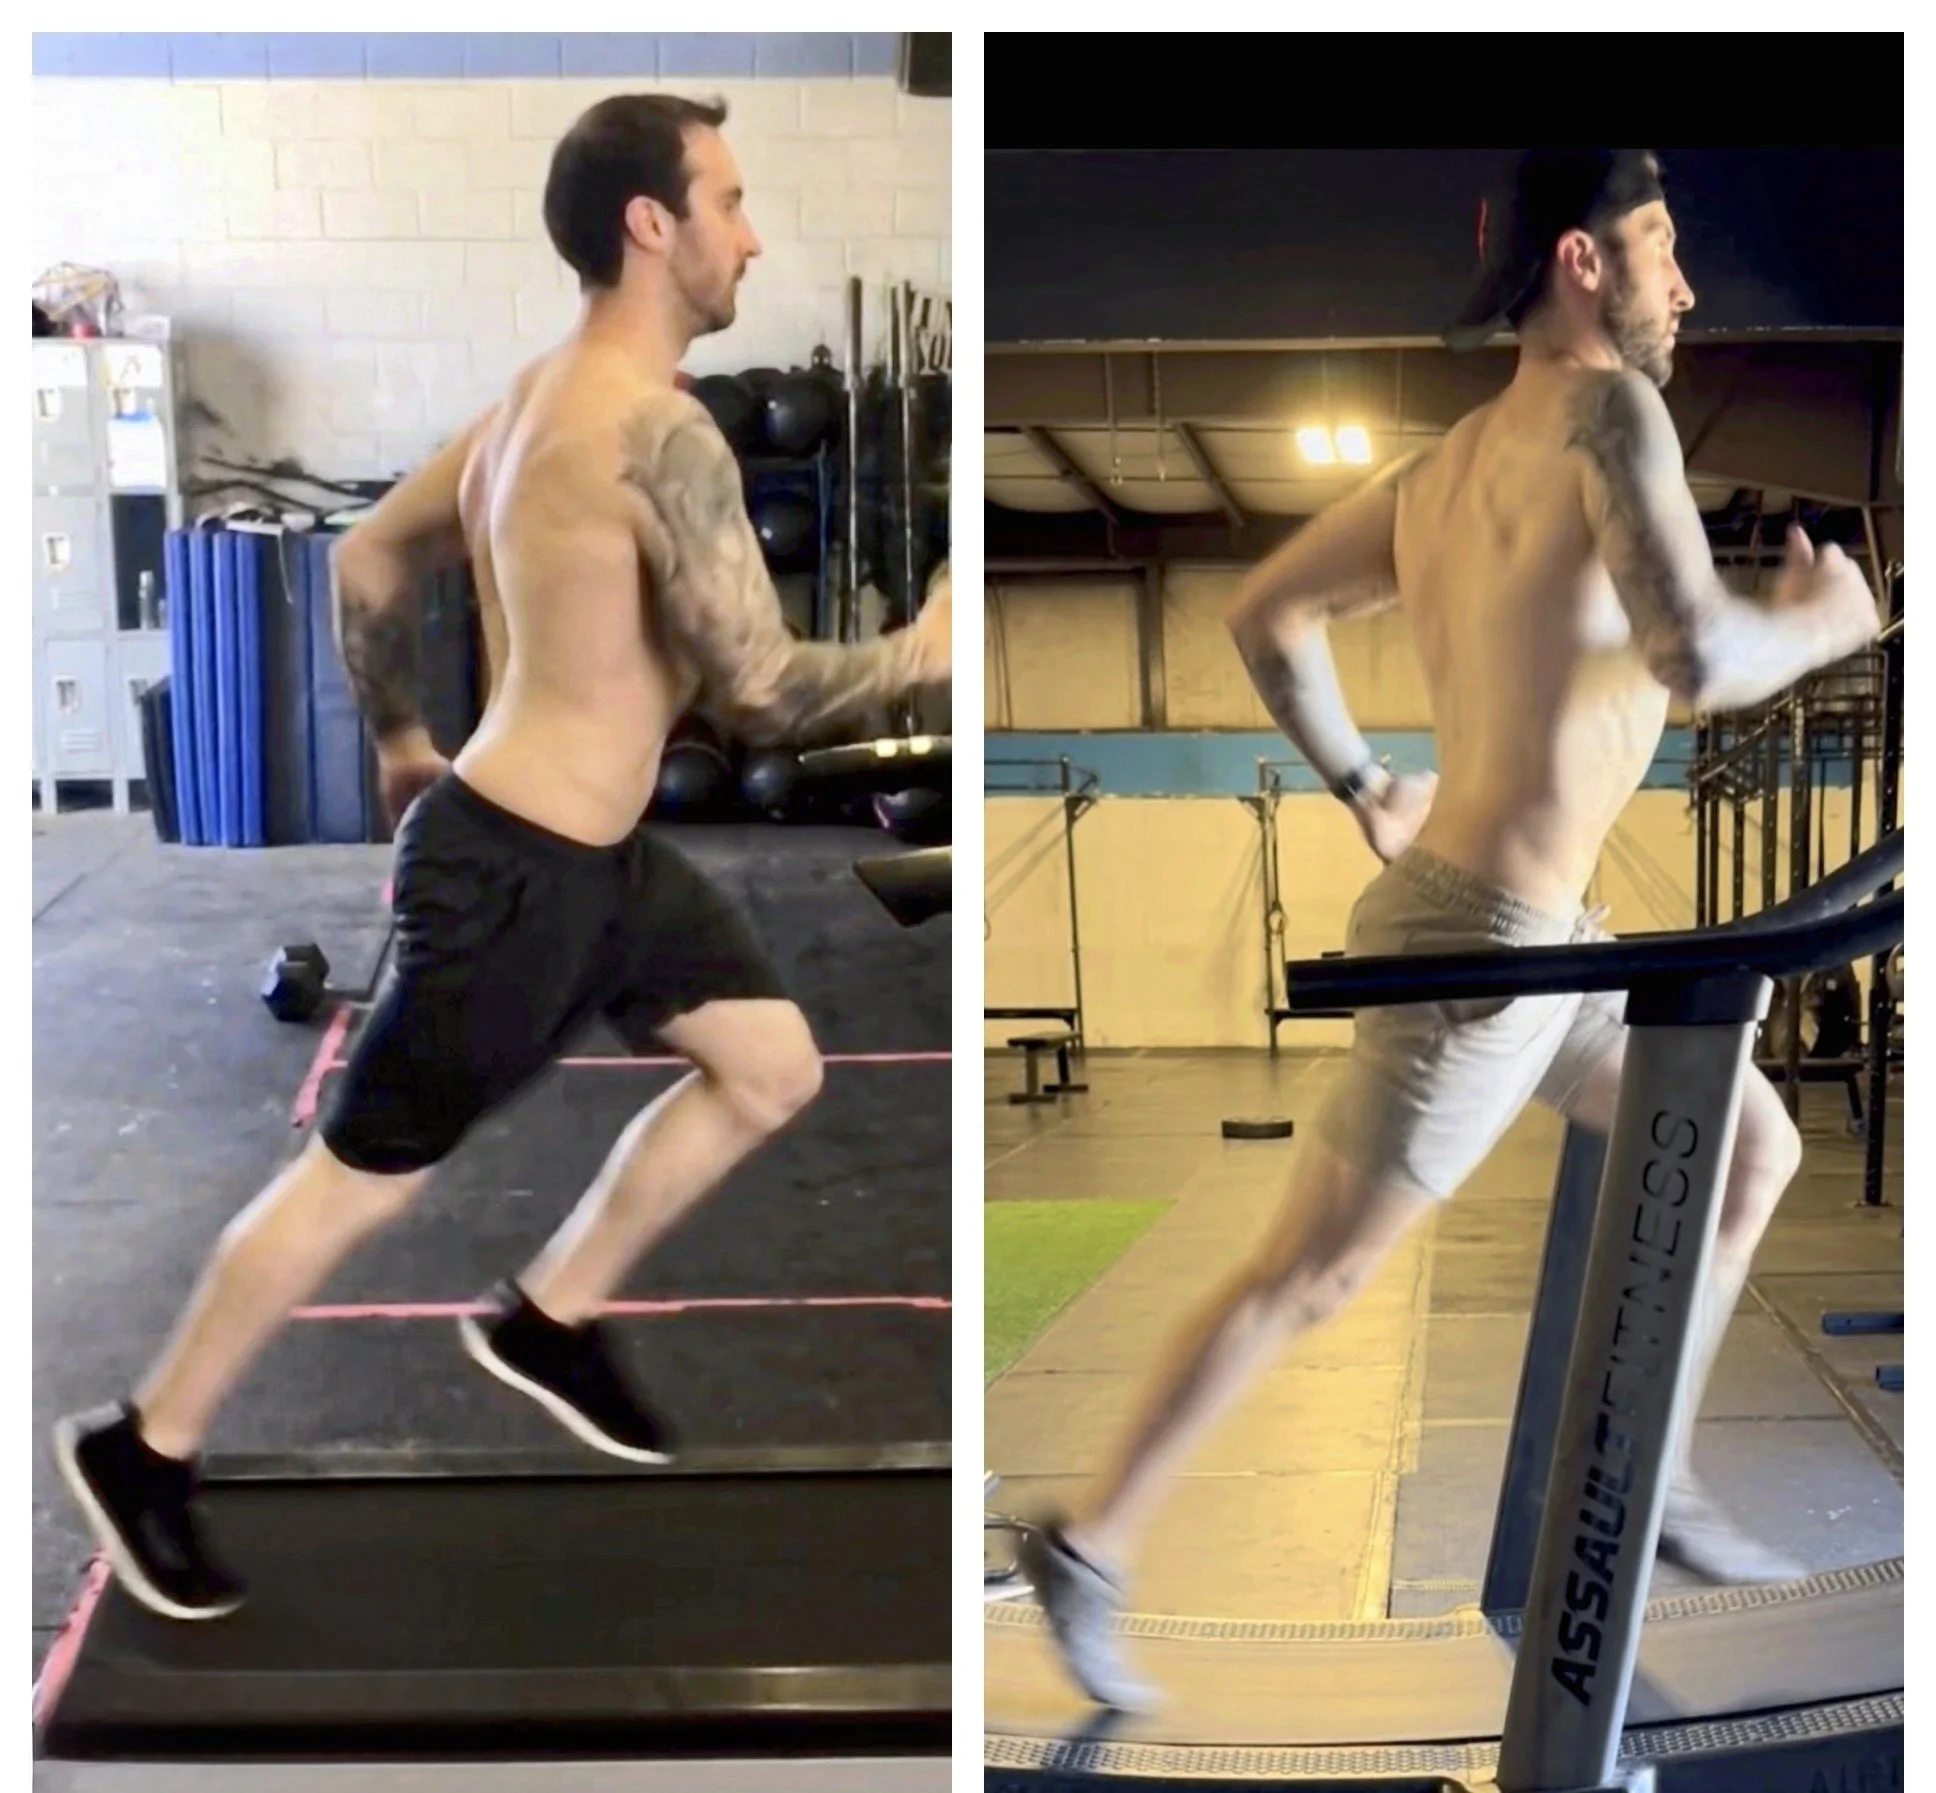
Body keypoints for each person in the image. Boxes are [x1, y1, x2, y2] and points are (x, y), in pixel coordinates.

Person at [55, 93, 952, 1622]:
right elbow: (762, 692)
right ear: (649, 226)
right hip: (518, 877)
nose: (753, 233)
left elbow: (368, 556)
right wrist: (926, 656)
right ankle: (147, 1446)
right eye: (729, 201)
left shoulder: (535, 399)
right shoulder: (655, 428)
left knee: (773, 1063)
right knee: (357, 1183)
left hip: (598, 866)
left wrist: (404, 736)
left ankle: (550, 1316)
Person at [1020, 148, 1880, 1709]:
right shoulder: (1610, 414)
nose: (1686, 282)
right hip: (1488, 948)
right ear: (1584, 259)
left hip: (1544, 949)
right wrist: (1828, 623)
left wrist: (1364, 786)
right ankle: (1090, 1544)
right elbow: (1692, 656)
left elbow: (1260, 615)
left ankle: (1659, 1471)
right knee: (1311, 1274)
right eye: (1664, 246)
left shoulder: (1445, 469)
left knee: (1749, 1145)